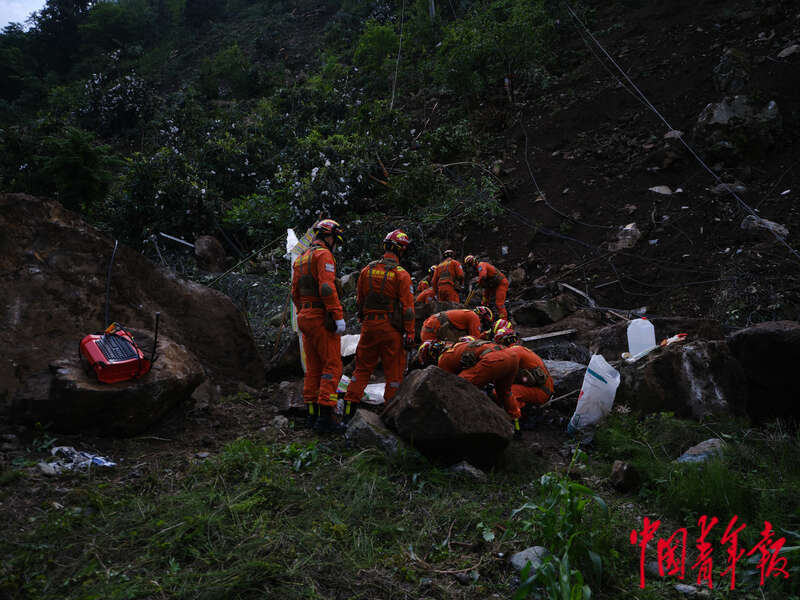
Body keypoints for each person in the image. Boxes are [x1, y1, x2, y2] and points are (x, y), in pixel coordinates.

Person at [342, 229, 415, 422]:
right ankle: (388, 416)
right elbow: (408, 309)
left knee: (362, 369)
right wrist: (410, 332)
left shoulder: (367, 270)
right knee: (394, 373)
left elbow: (360, 301)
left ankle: (348, 410)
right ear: (401, 250)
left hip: (369, 326)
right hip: (390, 329)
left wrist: (362, 318)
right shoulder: (401, 275)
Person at [291, 219, 347, 433]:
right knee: (332, 366)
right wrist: (337, 315)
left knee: (313, 367)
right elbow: (326, 287)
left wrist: (302, 312)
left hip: (305, 316)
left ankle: (312, 416)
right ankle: (327, 417)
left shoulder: (301, 258)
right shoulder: (323, 255)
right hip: (319, 316)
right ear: (329, 236)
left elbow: (294, 293)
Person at [418, 337, 521, 429]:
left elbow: (447, 384)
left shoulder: (444, 358)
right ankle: (516, 423)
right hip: (512, 356)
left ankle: (470, 423)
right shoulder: (459, 345)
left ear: (431, 354)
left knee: (458, 388)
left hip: (494, 359)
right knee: (504, 392)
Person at [494, 327, 554, 425]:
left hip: (542, 392)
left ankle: (517, 417)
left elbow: (504, 373)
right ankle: (523, 408)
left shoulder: (514, 352)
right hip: (541, 389)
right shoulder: (519, 350)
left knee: (502, 393)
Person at [419, 306, 493, 342]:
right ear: (481, 317)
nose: (481, 325)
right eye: (484, 323)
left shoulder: (467, 314)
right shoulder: (474, 317)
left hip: (429, 328)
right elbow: (475, 339)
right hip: (431, 331)